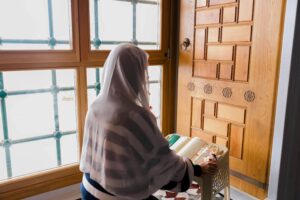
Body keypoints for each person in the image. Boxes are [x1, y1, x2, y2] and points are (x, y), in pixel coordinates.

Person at [79, 43, 217, 200]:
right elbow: (169, 168)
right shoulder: (134, 116)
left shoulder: (96, 105)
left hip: (88, 188)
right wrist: (198, 169)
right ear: (133, 75)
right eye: (143, 72)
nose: (145, 78)